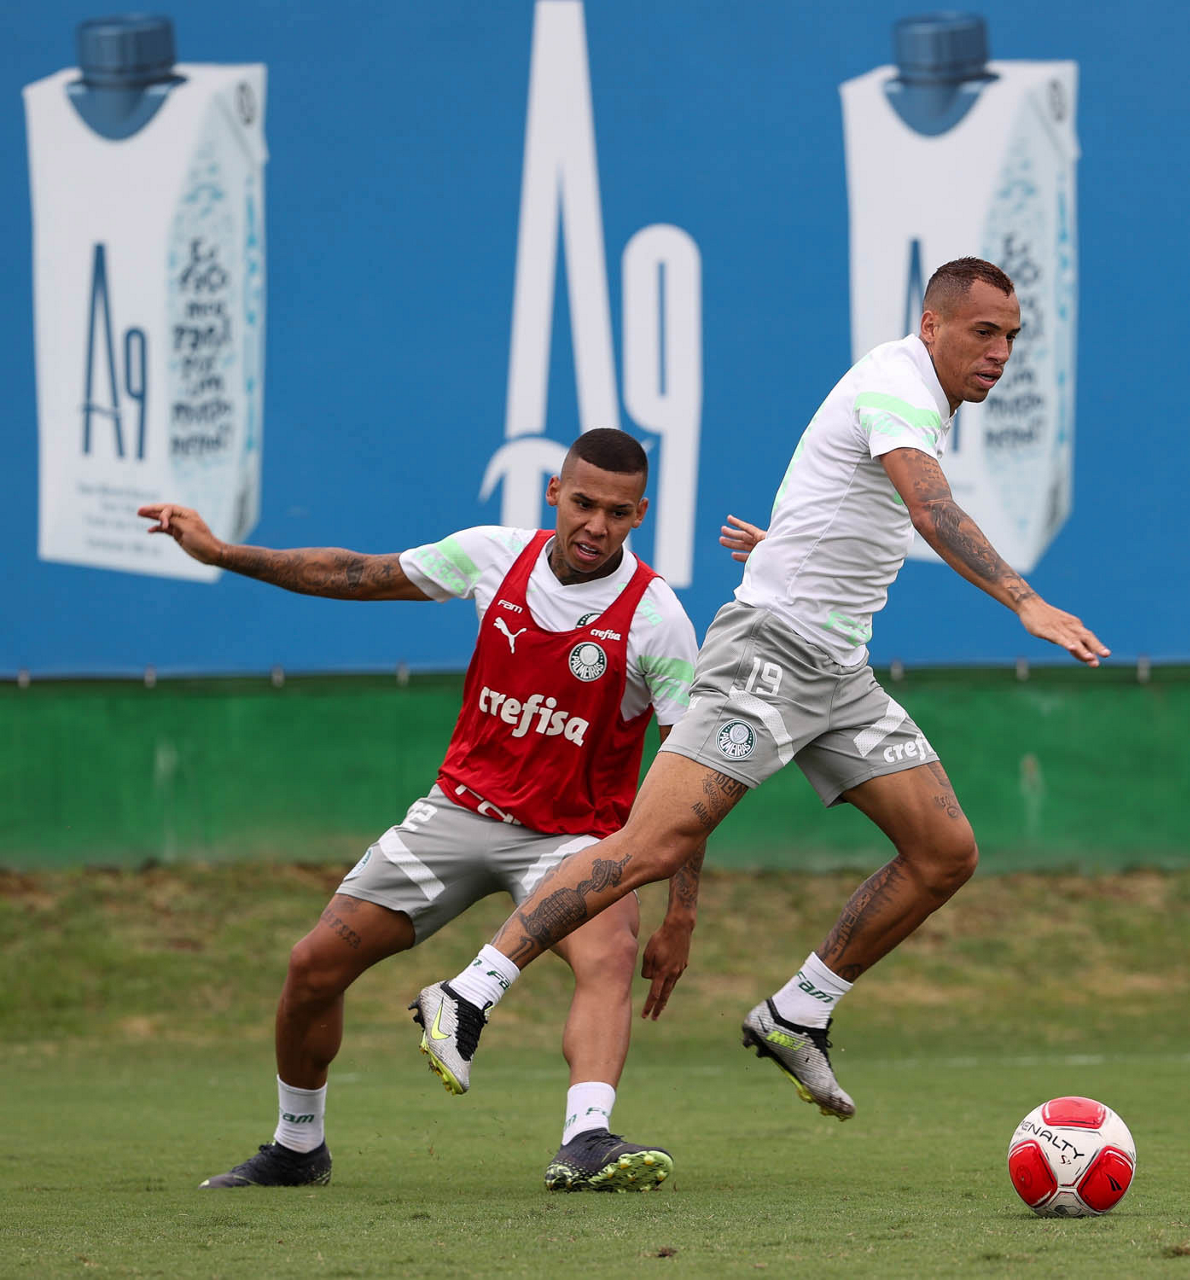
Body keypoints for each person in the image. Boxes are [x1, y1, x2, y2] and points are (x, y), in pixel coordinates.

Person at [414, 257, 1110, 1120]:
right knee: (651, 846)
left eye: (1010, 336)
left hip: (838, 672)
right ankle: (468, 992)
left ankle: (797, 1012)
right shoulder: (897, 387)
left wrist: (783, 546)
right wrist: (1024, 601)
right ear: (931, 325)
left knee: (944, 851)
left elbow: (843, 496)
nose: (1000, 351)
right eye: (983, 332)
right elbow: (930, 510)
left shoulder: (917, 399)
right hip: (769, 657)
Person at [138, 428, 702, 1192]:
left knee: (608, 956)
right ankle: (297, 1147)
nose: (595, 525)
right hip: (459, 813)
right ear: (553, 494)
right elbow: (353, 574)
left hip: (575, 838)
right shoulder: (491, 555)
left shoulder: (657, 618)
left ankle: (586, 1139)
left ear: (640, 514)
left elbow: (687, 775)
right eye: (582, 504)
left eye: (616, 512)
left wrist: (680, 914)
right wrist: (220, 553)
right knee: (312, 967)